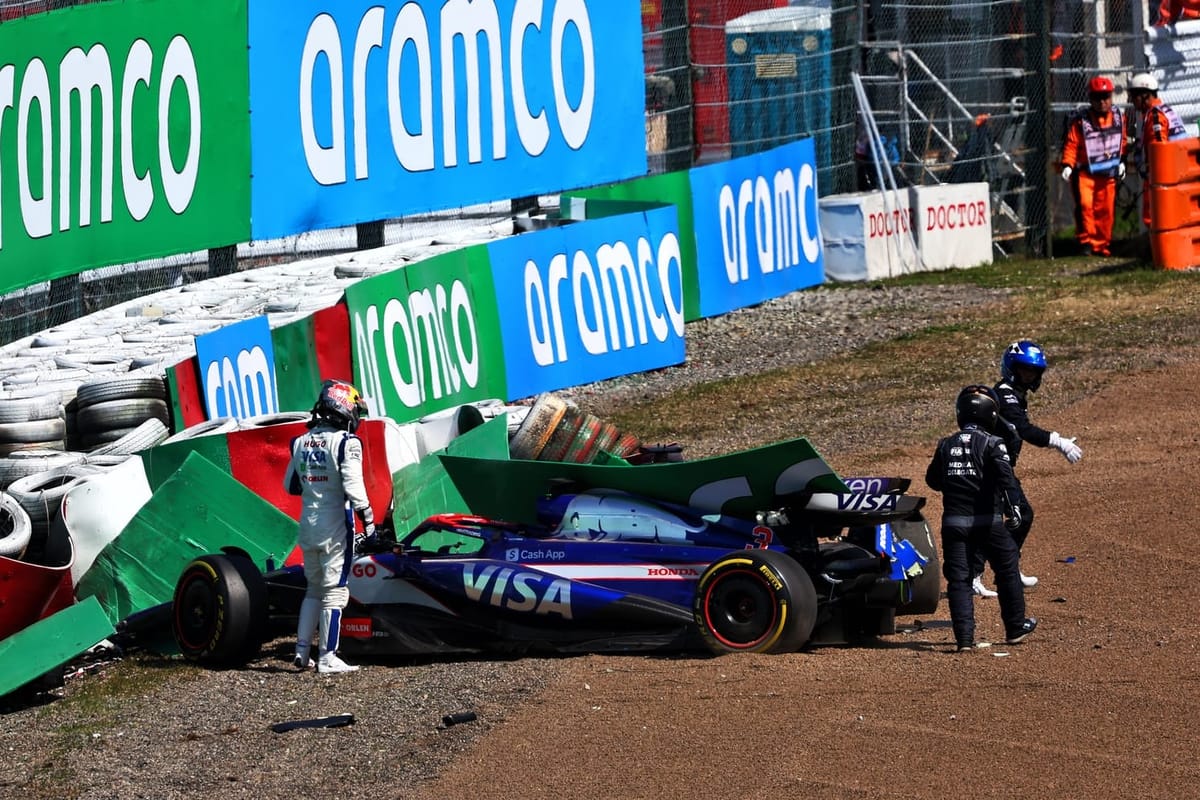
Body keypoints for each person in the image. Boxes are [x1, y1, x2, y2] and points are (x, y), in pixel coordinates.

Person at [926, 385, 1038, 651]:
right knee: (1007, 566)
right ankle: (1014, 627)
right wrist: (1015, 509)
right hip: (988, 522)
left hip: (953, 523)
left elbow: (932, 481)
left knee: (959, 580)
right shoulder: (993, 443)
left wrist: (956, 480)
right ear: (991, 414)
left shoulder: (945, 444)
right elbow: (1005, 478)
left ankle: (964, 640)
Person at [971, 340, 1083, 597]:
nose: (1029, 375)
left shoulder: (1015, 395)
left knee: (1021, 515)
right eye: (1024, 370)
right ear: (1012, 368)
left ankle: (1007, 569)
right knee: (994, 520)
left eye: (1033, 371)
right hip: (990, 469)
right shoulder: (1006, 394)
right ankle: (974, 576)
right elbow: (1022, 429)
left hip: (1001, 468)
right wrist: (1057, 441)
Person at [283, 379, 375, 675]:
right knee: (336, 592)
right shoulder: (348, 443)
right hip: (335, 525)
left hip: (307, 525)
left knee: (313, 590)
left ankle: (300, 652)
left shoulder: (299, 441)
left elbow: (290, 485)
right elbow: (354, 486)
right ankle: (327, 657)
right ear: (345, 408)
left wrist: (316, 483)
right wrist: (370, 519)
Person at [1059, 75, 1128, 257]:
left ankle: (1102, 245)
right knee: (1085, 207)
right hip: (1085, 174)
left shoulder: (1119, 118)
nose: (1102, 102)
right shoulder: (1081, 121)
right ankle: (1087, 242)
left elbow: (1122, 142)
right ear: (1091, 99)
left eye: (1106, 97)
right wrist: (1068, 164)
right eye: (1097, 97)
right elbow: (1072, 144)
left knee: (1106, 210)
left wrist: (1122, 162)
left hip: (1108, 174)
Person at [1127, 72, 1189, 230]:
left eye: (1134, 96)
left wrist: (1152, 171)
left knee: (1154, 214)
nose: (1131, 101)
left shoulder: (1155, 116)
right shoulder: (1167, 110)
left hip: (1160, 175)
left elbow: (1159, 148)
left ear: (1144, 95)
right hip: (1176, 171)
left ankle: (1153, 248)